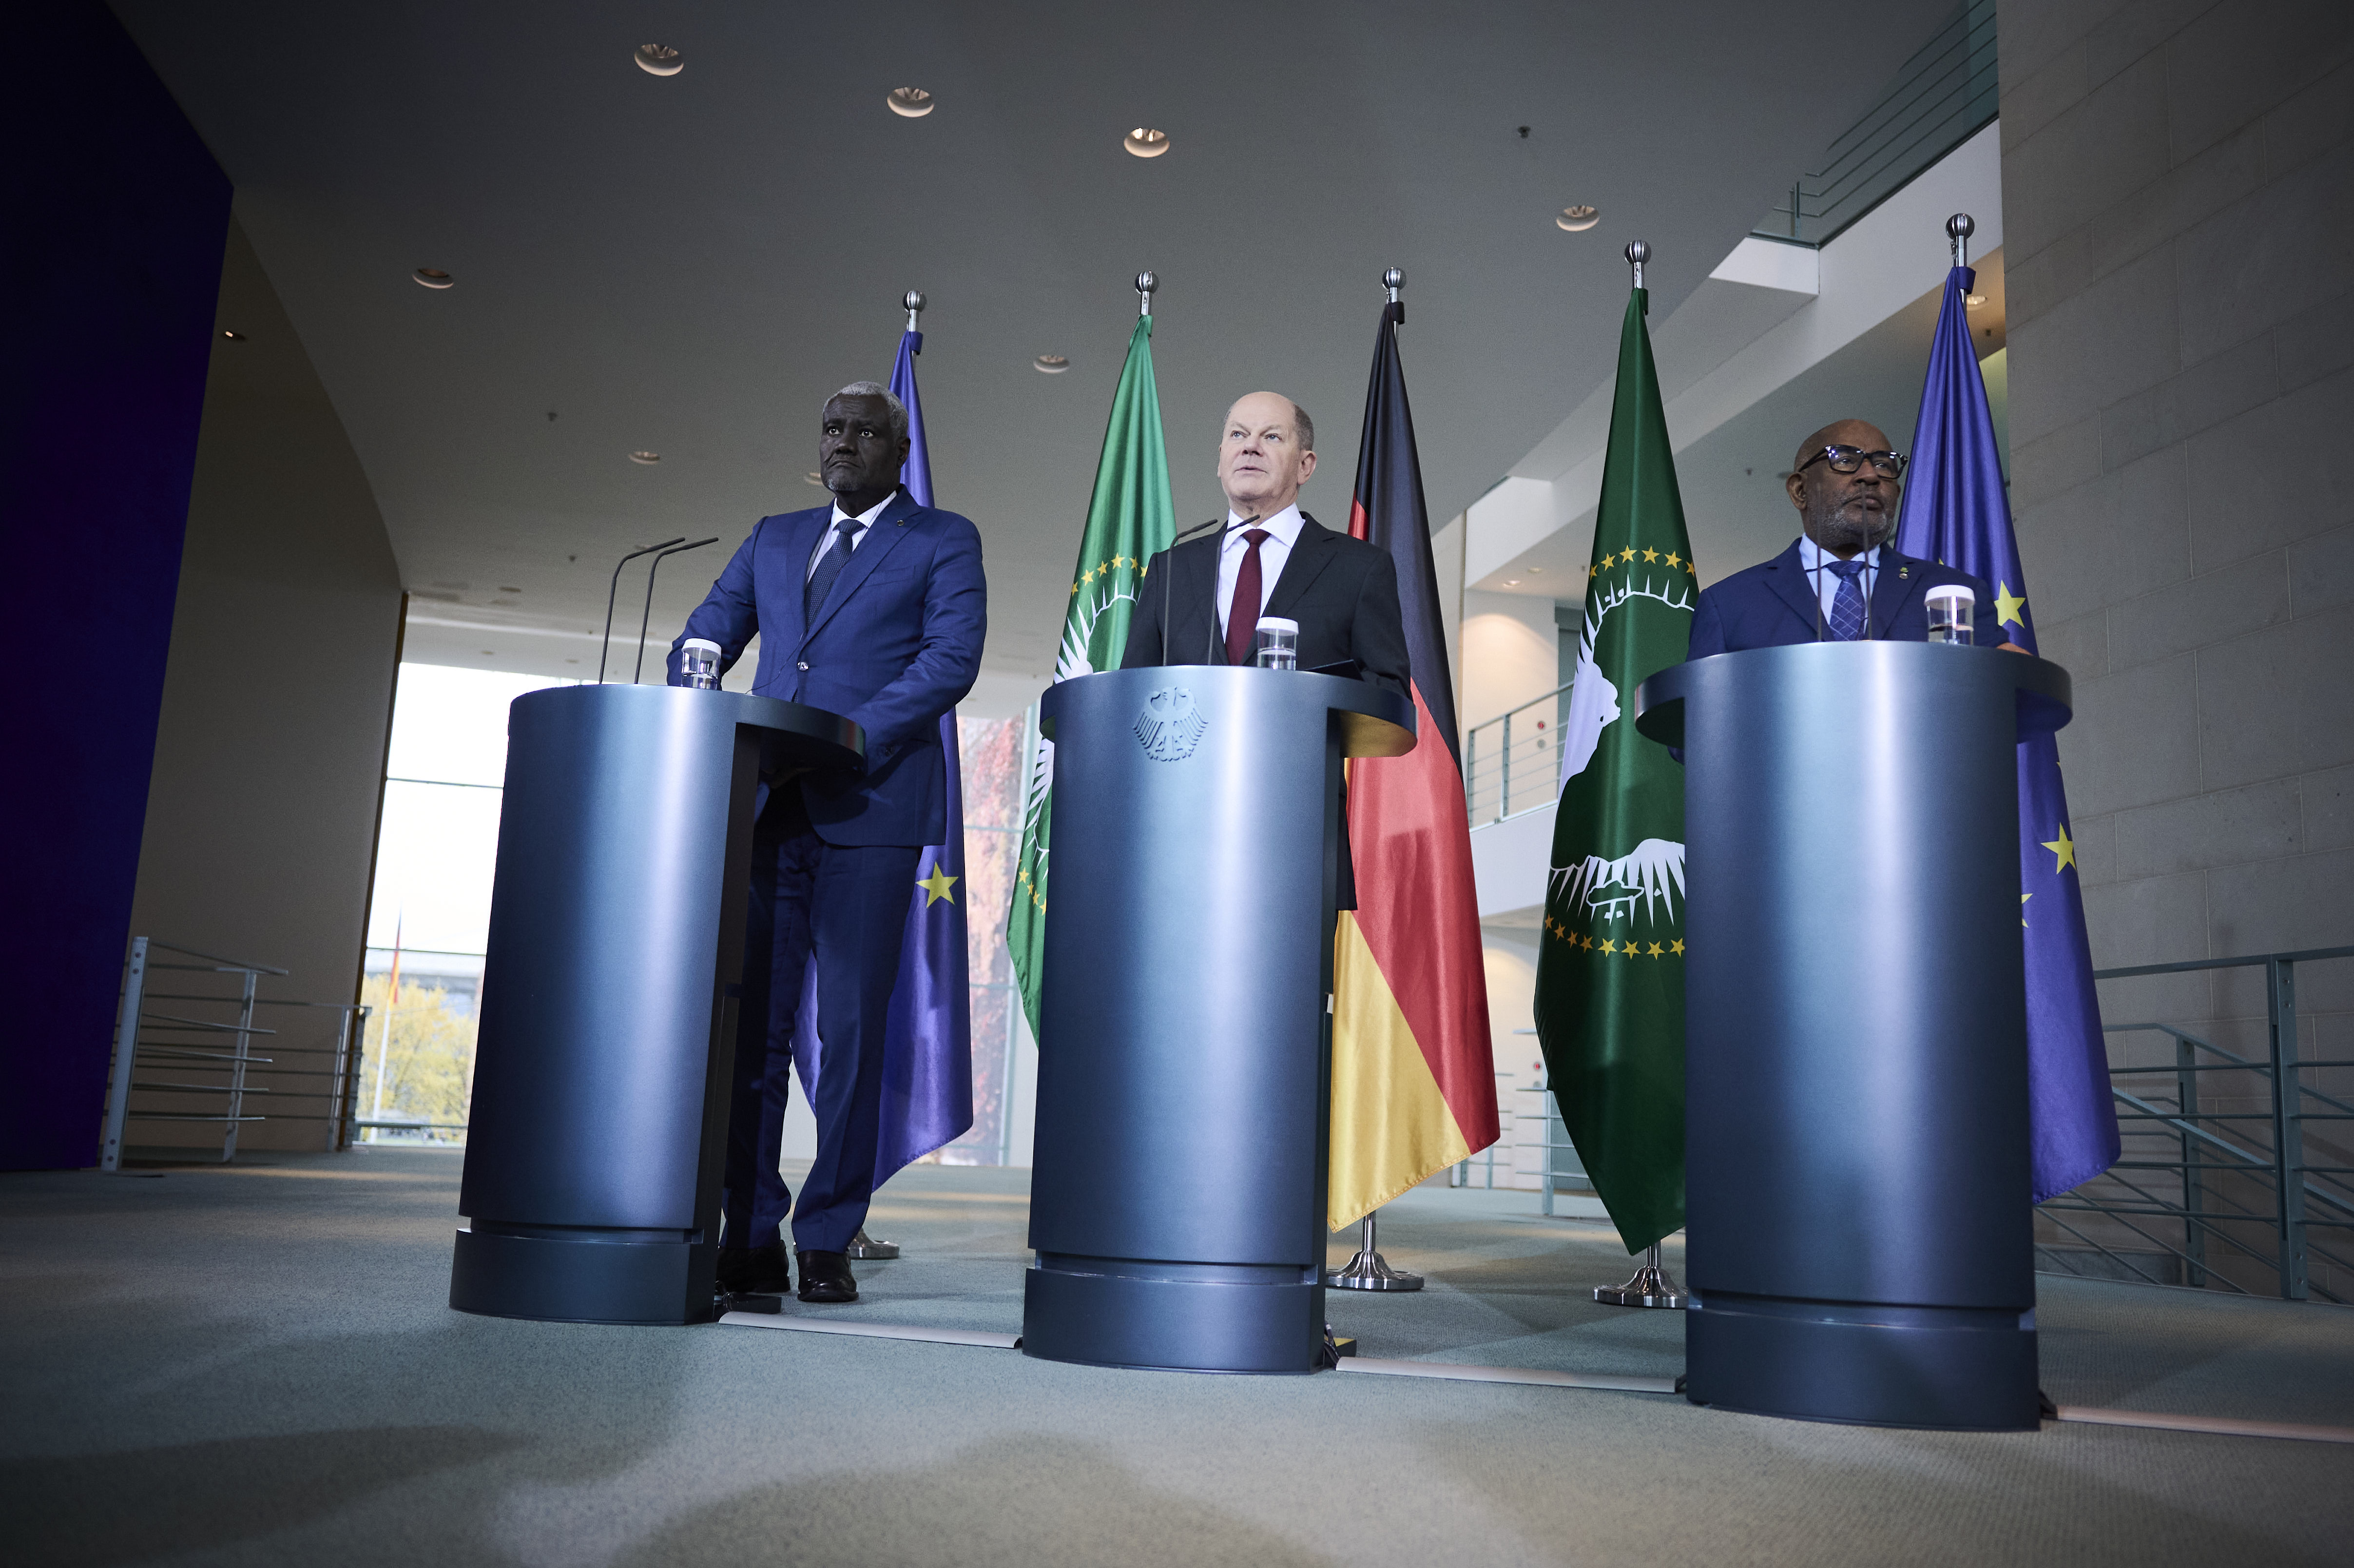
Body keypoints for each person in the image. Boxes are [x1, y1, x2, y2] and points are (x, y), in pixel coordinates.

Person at [668, 381, 985, 1303]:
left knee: (850, 1038)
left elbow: (948, 661)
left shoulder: (942, 539)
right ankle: (750, 1229)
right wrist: (696, 683)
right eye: (831, 430)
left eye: (863, 432)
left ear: (898, 447)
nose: (842, 443)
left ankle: (830, 1235)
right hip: (766, 813)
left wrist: (844, 737)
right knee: (752, 1036)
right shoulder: (774, 536)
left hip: (869, 812)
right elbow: (706, 635)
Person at [1120, 391, 1409, 694]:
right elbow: (1131, 692)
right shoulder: (1170, 571)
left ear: (1305, 466)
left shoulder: (1359, 568)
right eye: (1237, 434)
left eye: (1271, 437)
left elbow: (1389, 694)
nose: (1250, 447)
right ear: (1220, 460)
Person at [1688, 418, 2013, 655]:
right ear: (1800, 490)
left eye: (1885, 466)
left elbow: (2002, 700)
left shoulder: (1954, 594)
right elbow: (1693, 728)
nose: (1871, 475)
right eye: (1845, 460)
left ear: (1896, 493)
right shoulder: (1730, 604)